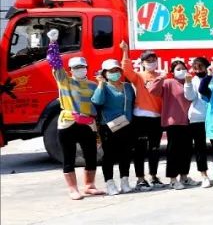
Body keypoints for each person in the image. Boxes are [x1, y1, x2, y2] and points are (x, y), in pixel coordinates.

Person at [45, 29, 101, 200]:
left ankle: (89, 186)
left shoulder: (93, 85)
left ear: (86, 68)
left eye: (82, 67)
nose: (79, 69)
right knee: (68, 157)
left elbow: (99, 105)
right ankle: (73, 189)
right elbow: (55, 63)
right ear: (70, 70)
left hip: (88, 124)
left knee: (91, 156)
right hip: (68, 123)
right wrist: (53, 43)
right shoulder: (64, 81)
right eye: (76, 67)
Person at [121, 43, 165, 191]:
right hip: (141, 117)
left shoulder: (162, 76)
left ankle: (153, 176)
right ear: (142, 63)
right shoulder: (139, 76)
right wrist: (125, 51)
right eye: (148, 60)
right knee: (140, 149)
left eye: (153, 60)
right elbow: (126, 70)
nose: (151, 62)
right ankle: (140, 179)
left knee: (154, 149)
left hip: (157, 117)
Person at [91, 59, 136, 195]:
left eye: (117, 70)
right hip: (108, 126)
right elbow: (97, 101)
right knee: (109, 155)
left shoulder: (127, 87)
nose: (114, 73)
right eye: (111, 71)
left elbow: (132, 103)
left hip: (126, 124)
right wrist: (100, 84)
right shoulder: (103, 87)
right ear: (104, 73)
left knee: (125, 154)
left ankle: (124, 182)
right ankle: (110, 183)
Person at [160, 58, 196, 190]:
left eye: (183, 68)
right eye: (178, 69)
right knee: (173, 151)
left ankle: (184, 176)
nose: (181, 71)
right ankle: (173, 179)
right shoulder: (168, 82)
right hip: (173, 122)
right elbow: (153, 90)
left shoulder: (189, 82)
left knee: (186, 150)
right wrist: (161, 77)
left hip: (188, 121)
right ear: (172, 72)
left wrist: (188, 82)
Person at [182, 56, 213, 188]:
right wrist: (188, 84)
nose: (198, 70)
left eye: (201, 68)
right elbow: (190, 97)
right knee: (200, 148)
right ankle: (204, 175)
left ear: (207, 67)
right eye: (195, 68)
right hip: (197, 118)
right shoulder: (192, 81)